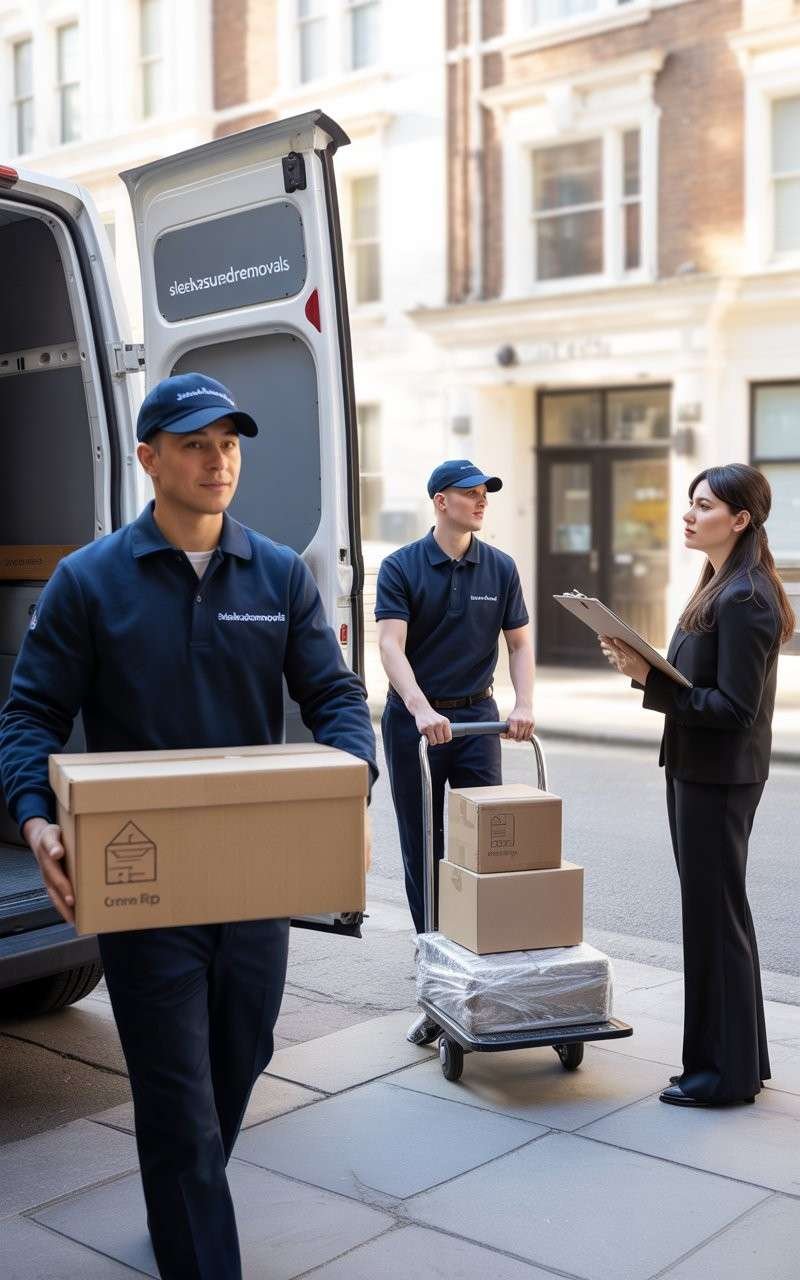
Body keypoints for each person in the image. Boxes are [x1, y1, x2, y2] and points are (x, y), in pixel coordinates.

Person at [0, 372, 377, 1279]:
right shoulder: (89, 581)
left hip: (255, 880)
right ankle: (196, 1236)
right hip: (147, 882)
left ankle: (182, 1185)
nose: (220, 462)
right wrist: (37, 816)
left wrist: (351, 789)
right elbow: (30, 715)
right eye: (198, 444)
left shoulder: (279, 573)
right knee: (176, 1097)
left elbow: (334, 696)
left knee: (236, 1063)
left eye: (231, 444)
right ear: (149, 458)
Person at [600, 463, 794, 1108]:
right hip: (696, 768)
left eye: (704, 504)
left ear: (740, 520)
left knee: (715, 922)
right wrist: (644, 666)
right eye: (690, 502)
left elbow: (736, 708)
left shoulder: (745, 596)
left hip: (719, 775)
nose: (688, 512)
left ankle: (721, 1077)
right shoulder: (717, 583)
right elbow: (695, 681)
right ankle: (738, 1063)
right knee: (717, 919)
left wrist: (647, 679)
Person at [375, 459, 534, 1043]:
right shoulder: (402, 567)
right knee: (425, 844)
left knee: (478, 847)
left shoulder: (500, 566)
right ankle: (433, 971)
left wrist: (522, 703)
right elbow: (391, 647)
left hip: (475, 716)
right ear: (441, 501)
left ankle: (477, 959)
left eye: (486, 492)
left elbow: (518, 643)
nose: (481, 501)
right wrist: (419, 708)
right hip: (416, 719)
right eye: (470, 493)